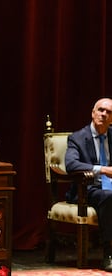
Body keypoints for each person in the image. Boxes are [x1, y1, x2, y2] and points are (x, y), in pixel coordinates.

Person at [65, 97, 112, 272]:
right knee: (108, 196)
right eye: (101, 110)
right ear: (93, 113)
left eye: (109, 112)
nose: (104, 114)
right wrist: (103, 170)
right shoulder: (77, 138)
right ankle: (108, 253)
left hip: (110, 187)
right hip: (87, 189)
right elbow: (71, 165)